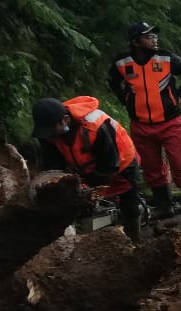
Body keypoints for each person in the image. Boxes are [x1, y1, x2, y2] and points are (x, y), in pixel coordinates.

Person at [107, 21, 181, 223]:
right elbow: (113, 81)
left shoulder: (166, 58)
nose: (154, 39)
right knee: (152, 169)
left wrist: (180, 95)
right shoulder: (122, 62)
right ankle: (164, 207)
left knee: (180, 164)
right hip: (140, 125)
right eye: (148, 36)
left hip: (170, 122)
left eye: (154, 35)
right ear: (136, 41)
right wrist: (125, 99)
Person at [32, 96, 144, 242]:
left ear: (65, 119)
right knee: (76, 200)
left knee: (129, 205)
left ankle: (135, 240)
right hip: (85, 165)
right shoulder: (49, 133)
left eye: (52, 132)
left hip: (120, 162)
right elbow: (53, 165)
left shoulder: (95, 126)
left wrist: (86, 187)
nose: (49, 137)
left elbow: (108, 166)